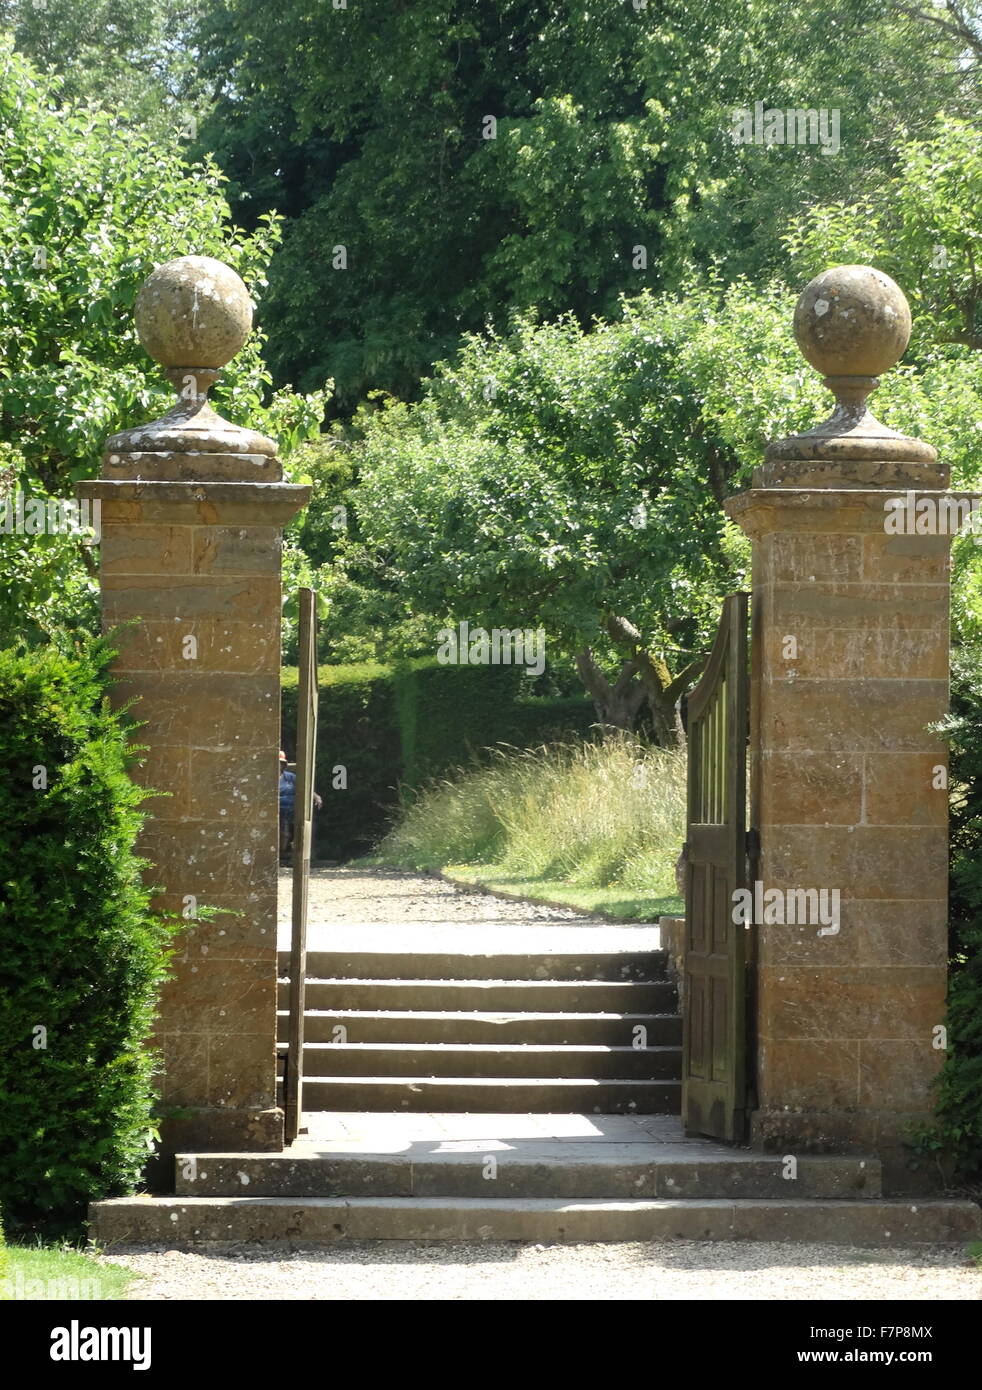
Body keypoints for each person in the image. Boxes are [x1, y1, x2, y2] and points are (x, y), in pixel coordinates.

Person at [278, 750, 322, 864]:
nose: (278, 765)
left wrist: (316, 797)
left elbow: (306, 788)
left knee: (305, 827)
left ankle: (296, 858)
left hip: (294, 810)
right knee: (284, 835)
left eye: (281, 762)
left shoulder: (291, 777)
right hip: (278, 812)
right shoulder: (268, 778)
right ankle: (281, 856)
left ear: (284, 764)